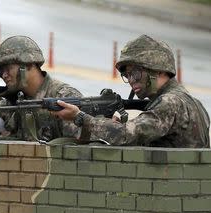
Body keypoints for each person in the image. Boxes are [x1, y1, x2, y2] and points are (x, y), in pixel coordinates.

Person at [52, 34, 210, 148]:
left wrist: (81, 117)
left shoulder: (170, 103)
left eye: (135, 73)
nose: (132, 80)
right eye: (127, 75)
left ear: (159, 70)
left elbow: (126, 135)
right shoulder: (192, 102)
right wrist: (112, 125)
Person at [0, 35, 83, 141]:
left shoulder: (63, 97)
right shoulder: (12, 100)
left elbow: (83, 146)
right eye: (1, 71)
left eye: (8, 68)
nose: (4, 75)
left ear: (28, 64)